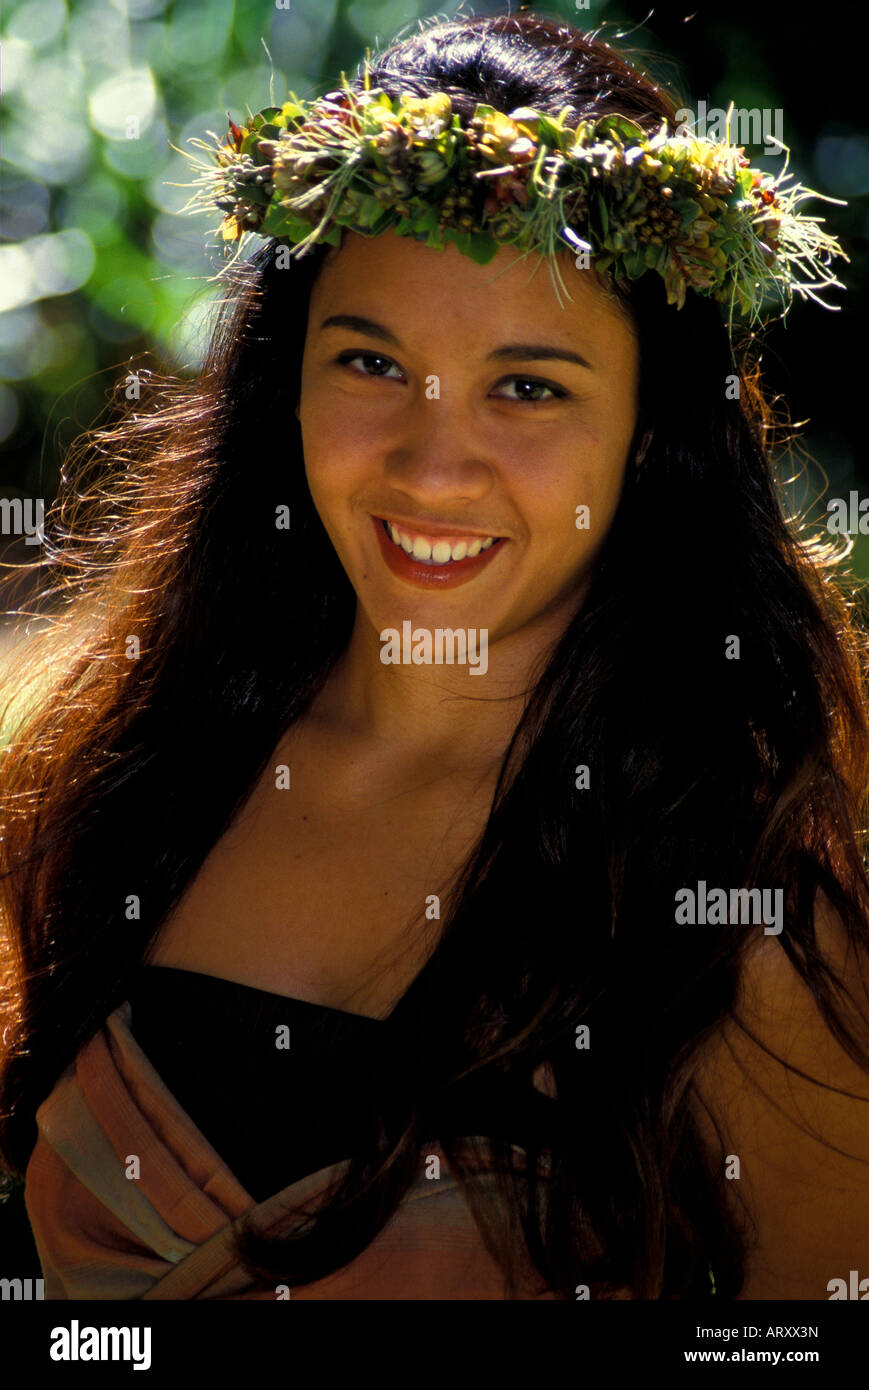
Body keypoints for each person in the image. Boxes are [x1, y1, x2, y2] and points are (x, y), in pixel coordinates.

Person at [1, 12, 868, 1302]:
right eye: (370, 361)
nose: (430, 466)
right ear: (281, 381)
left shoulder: (744, 912)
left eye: (529, 386)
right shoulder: (102, 776)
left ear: (650, 435)